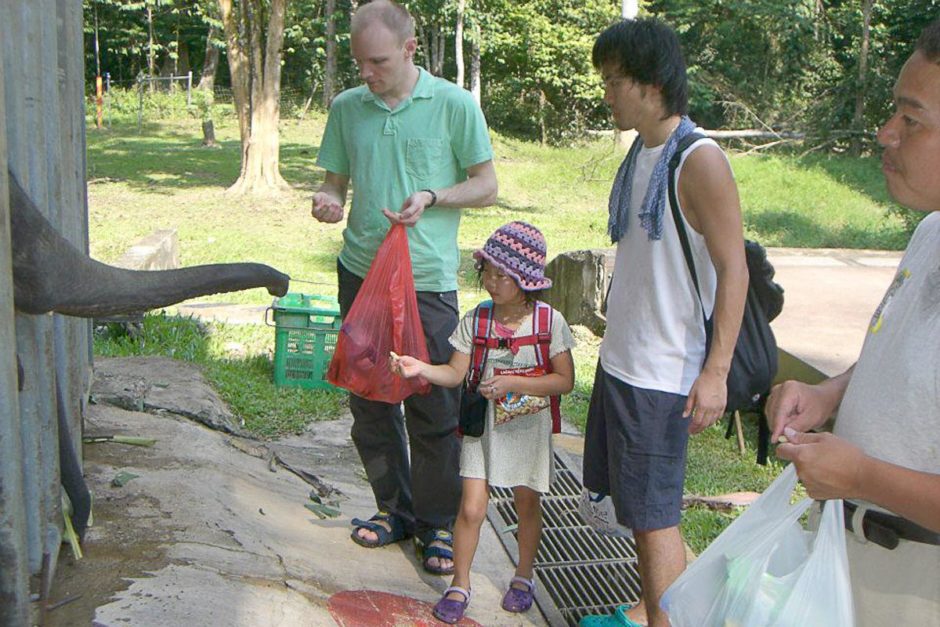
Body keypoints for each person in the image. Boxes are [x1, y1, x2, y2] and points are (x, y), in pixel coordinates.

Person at [310, 0, 498, 576]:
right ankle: (393, 509)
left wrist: (434, 196)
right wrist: (330, 200)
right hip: (361, 273)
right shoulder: (348, 108)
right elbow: (335, 180)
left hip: (427, 281)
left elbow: (486, 185)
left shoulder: (453, 105)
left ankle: (437, 524)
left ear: (410, 50)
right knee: (369, 398)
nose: (367, 73)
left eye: (379, 62)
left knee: (433, 402)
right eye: (359, 62)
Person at [767, 18, 940, 626]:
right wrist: (827, 394)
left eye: (911, 120)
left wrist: (862, 474)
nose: (886, 133)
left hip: (918, 585)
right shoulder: (931, 233)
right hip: (850, 555)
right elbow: (903, 357)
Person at [578, 18, 748, 627]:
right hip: (624, 361)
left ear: (651, 83)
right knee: (634, 510)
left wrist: (716, 373)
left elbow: (735, 271)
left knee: (655, 520)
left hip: (663, 374)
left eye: (614, 81)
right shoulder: (642, 152)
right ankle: (651, 608)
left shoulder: (699, 161)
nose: (606, 94)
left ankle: (664, 619)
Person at [391, 222, 575, 624]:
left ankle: (523, 577)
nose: (491, 282)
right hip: (481, 428)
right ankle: (460, 583)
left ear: (525, 280)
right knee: (471, 508)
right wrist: (419, 367)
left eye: (502, 275)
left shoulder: (548, 323)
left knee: (527, 503)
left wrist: (512, 381)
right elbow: (456, 374)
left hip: (528, 429)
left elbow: (565, 380)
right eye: (487, 271)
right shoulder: (477, 321)